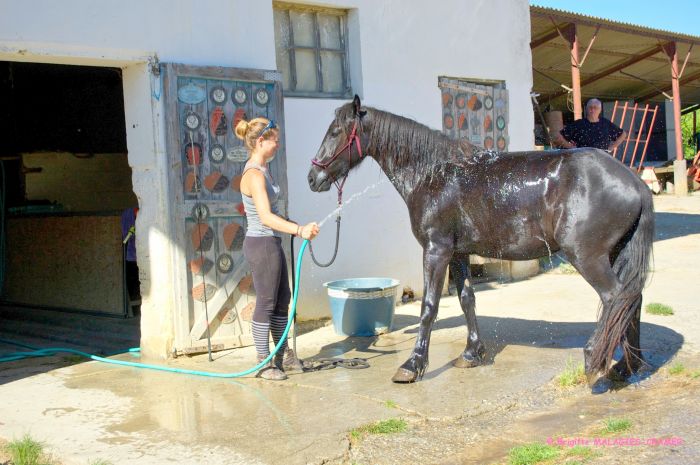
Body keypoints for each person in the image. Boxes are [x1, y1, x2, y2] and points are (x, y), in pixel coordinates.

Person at [235, 117, 320, 381]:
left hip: (271, 242)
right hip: (261, 243)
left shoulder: (264, 170)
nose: (278, 146)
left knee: (282, 300)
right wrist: (298, 230)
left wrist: (294, 224)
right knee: (267, 302)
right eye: (275, 141)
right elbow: (265, 217)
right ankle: (264, 362)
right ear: (261, 142)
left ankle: (283, 356)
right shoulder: (254, 175)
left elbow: (273, 214)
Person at [555, 98, 626, 152]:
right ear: (586, 109)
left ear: (600, 110)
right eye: (590, 107)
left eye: (595, 108)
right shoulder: (578, 124)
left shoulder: (606, 124)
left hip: (602, 161)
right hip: (582, 160)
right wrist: (571, 147)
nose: (593, 110)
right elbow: (558, 137)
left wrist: (612, 147)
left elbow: (623, 134)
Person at [121, 206, 140, 314]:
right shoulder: (128, 216)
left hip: (139, 257)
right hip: (132, 258)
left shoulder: (132, 215)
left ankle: (138, 309)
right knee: (134, 285)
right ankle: (136, 310)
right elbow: (126, 239)